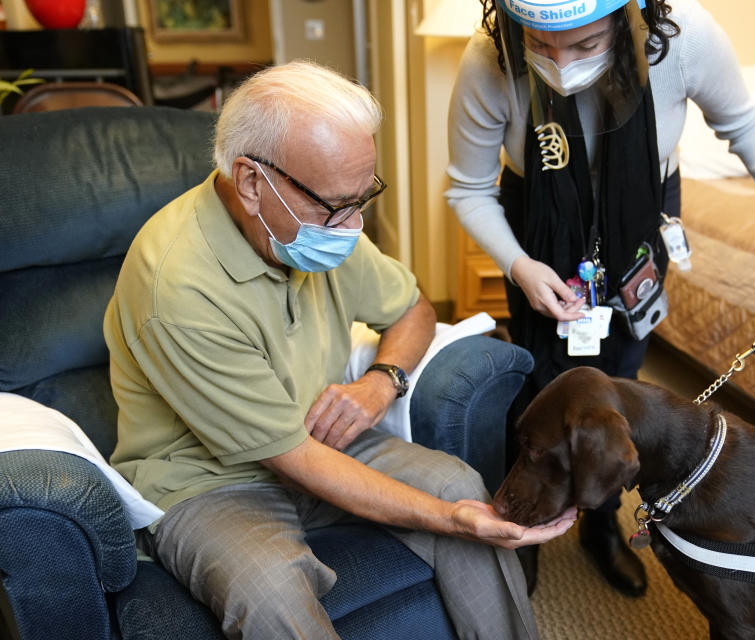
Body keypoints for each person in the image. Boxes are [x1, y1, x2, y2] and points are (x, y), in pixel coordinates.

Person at [104, 60, 575, 640]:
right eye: (335, 206)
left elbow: (413, 310)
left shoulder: (317, 225)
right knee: (270, 587)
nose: (352, 227)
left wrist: (381, 382)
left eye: (363, 198)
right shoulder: (173, 286)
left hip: (321, 438)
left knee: (459, 484)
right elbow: (293, 459)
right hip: (207, 480)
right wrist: (450, 522)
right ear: (252, 182)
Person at [445, 0, 755, 597]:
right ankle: (527, 520)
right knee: (539, 380)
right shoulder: (490, 56)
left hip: (639, 213)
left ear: (629, 17)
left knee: (620, 376)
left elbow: (743, 122)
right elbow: (467, 188)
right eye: (541, 46)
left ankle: (600, 526)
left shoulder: (685, 36)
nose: (560, 63)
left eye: (584, 45)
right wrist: (520, 266)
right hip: (539, 221)